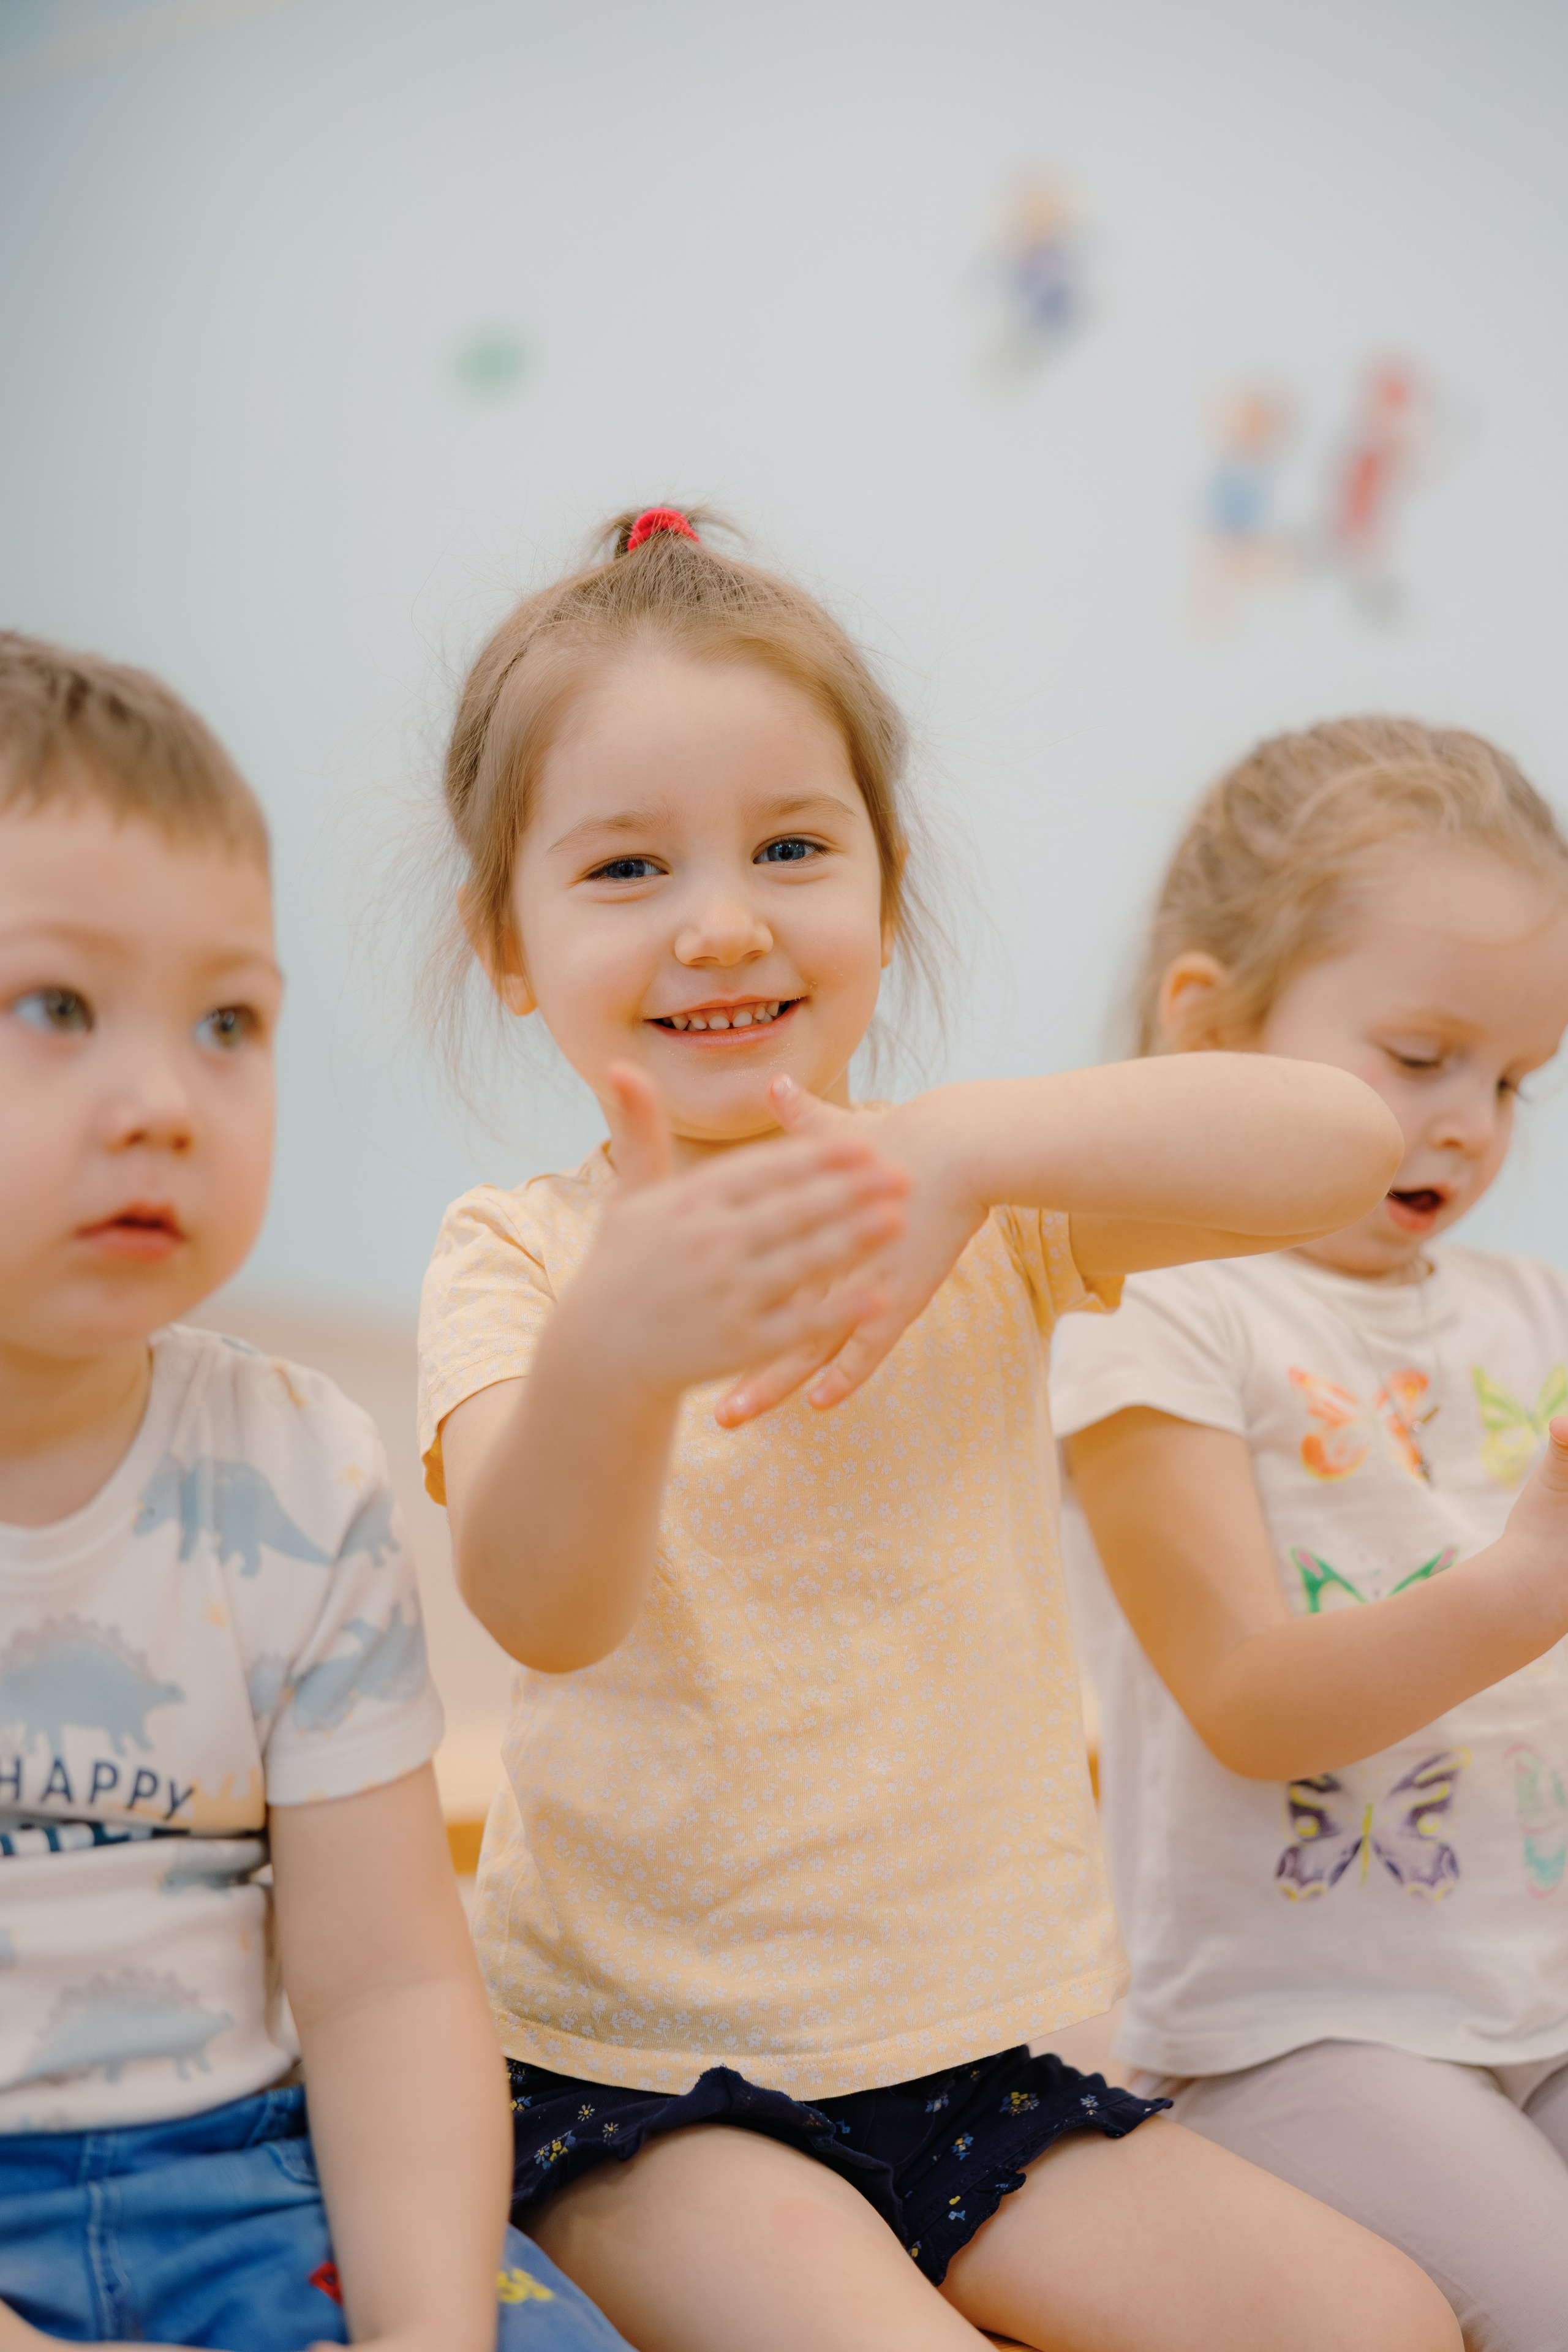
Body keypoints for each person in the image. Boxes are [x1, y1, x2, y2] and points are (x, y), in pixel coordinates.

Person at [417, 508, 1460, 2352]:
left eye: (794, 848)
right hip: (645, 2087)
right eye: (628, 867)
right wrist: (622, 1351)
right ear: (509, 942)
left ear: (886, 899)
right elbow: (540, 1605)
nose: (723, 918)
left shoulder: (993, 1214)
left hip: (983, 2064)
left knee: (1378, 2319)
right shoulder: (522, 1252)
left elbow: (1337, 1142)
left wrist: (964, 1148)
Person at [0, 635, 629, 2351]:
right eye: (56, 1008)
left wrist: (425, 2332)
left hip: (237, 2174)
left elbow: (387, 1987)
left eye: (228, 1024)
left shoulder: (291, 1471)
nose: (163, 1105)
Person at [1050, 717, 1568, 2351]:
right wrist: (1533, 1584)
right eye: (1421, 1058)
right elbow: (1250, 1694)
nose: (1472, 1122)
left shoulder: (1527, 1309)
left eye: (1515, 1080)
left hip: (1534, 1994)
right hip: (1292, 2035)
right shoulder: (1155, 1316)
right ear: (1211, 1023)